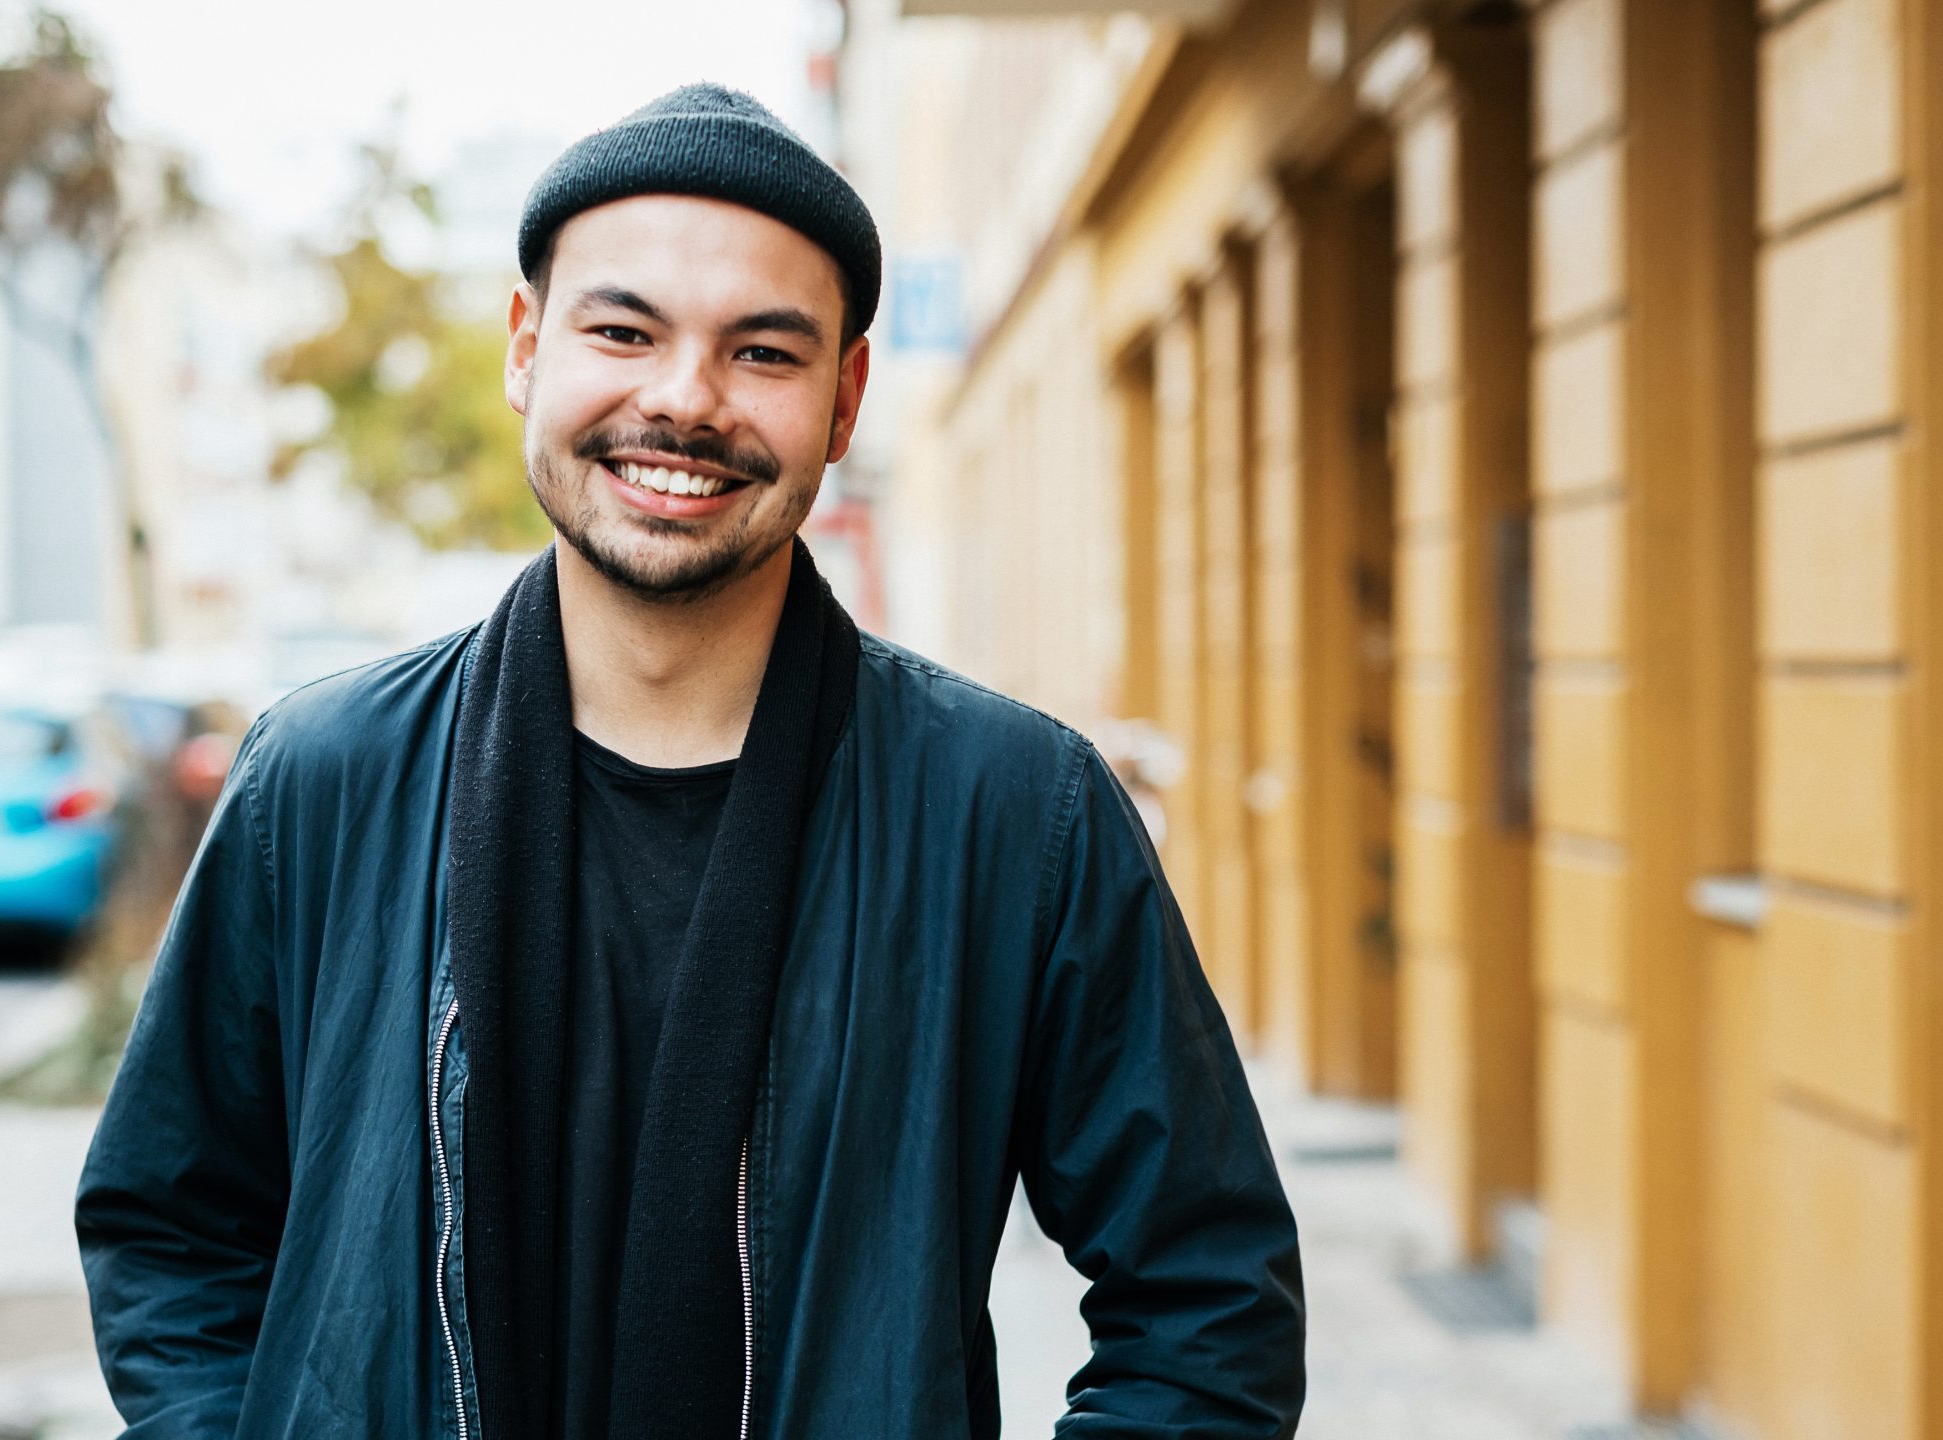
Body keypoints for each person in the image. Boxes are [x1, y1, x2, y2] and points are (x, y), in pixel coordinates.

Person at [75, 83, 1305, 1440]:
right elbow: (172, 1228)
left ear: (845, 401)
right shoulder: (319, 779)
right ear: (526, 350)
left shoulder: (1019, 813)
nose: (683, 400)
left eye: (763, 353)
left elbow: (1209, 1299)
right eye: (623, 331)